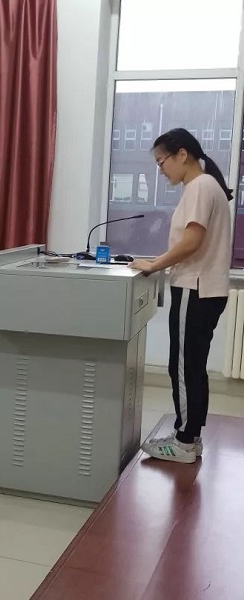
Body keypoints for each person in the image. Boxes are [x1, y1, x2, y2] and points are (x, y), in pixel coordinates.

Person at [132, 128, 232, 464]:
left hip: (195, 288)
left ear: (182, 155)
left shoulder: (199, 187)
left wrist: (154, 265)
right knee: (193, 366)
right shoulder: (207, 186)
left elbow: (191, 242)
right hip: (205, 289)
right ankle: (190, 437)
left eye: (162, 162)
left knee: (185, 368)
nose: (161, 170)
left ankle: (184, 442)